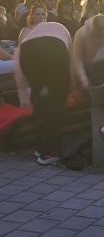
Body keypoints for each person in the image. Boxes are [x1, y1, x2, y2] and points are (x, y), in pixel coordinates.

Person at [14, 21, 73, 165]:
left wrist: (24, 97)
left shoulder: (31, 34)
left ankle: (39, 147)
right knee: (57, 102)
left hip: (27, 50)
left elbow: (19, 68)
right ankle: (48, 152)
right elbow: (70, 62)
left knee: (39, 96)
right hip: (55, 48)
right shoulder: (63, 30)